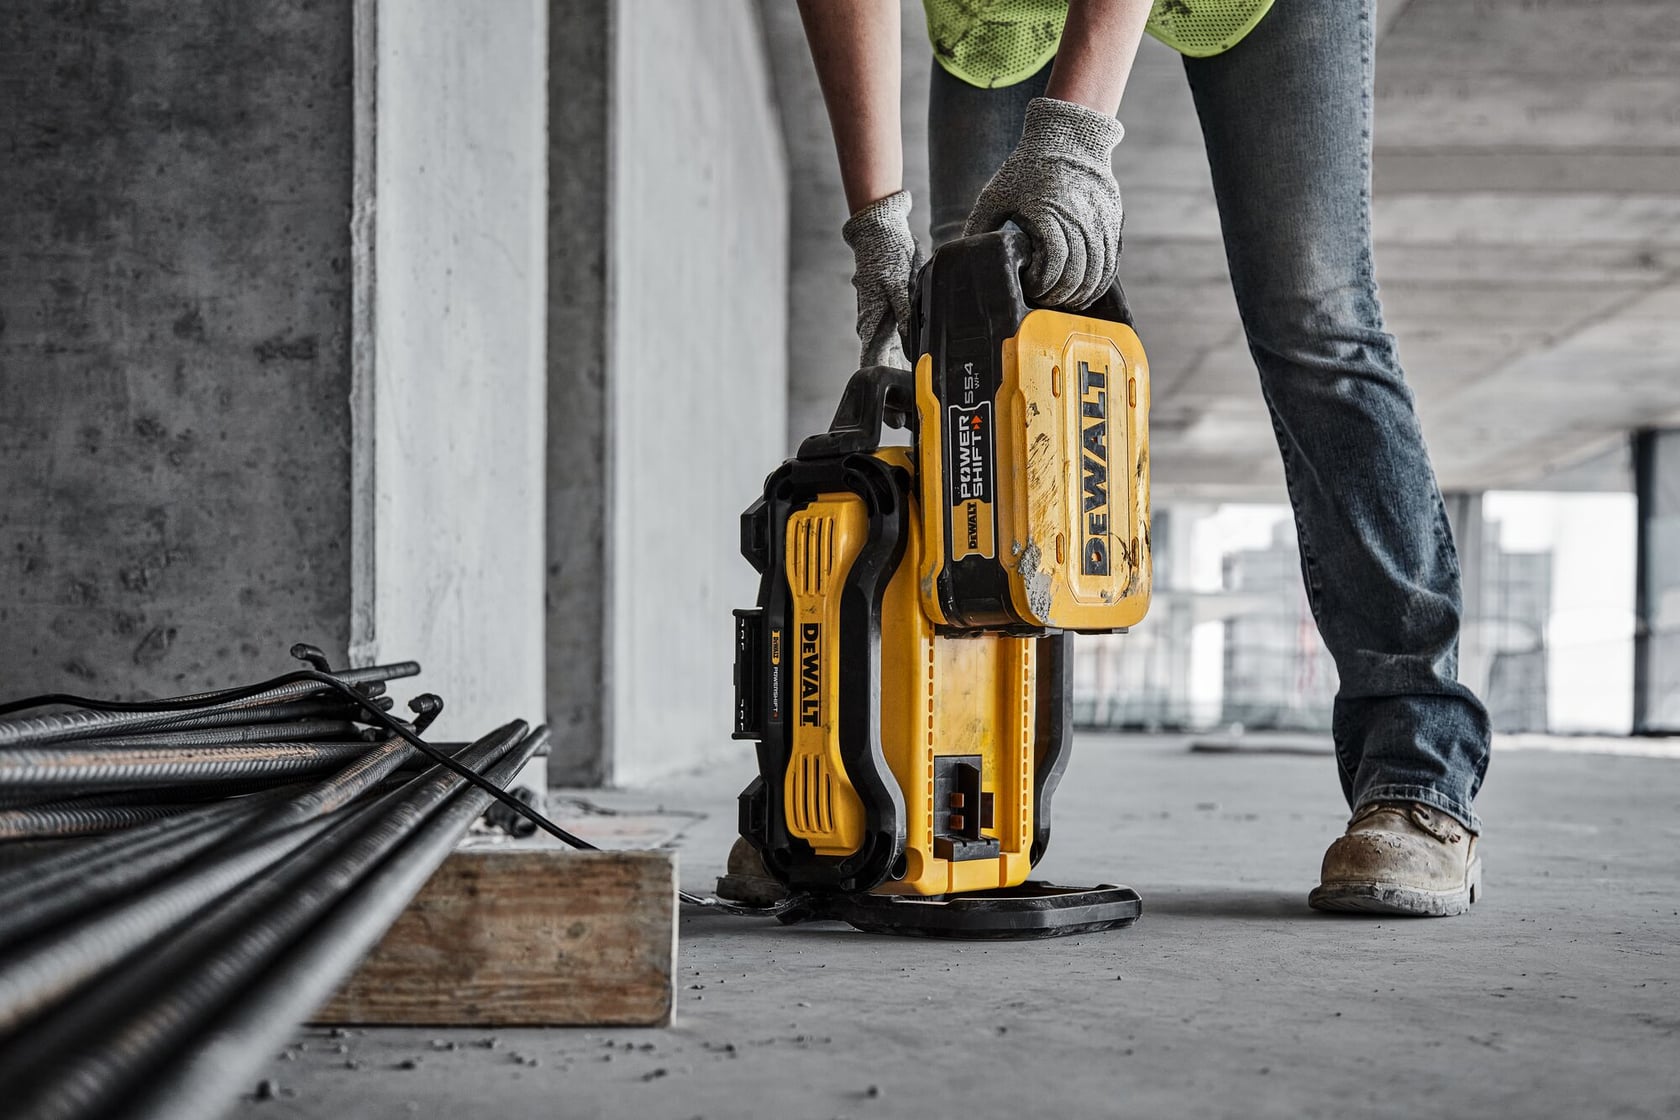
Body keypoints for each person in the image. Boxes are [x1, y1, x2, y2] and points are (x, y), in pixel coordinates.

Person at [795, 0, 1492, 918]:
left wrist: (1072, 141)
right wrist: (873, 218)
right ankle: (886, 799)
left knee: (1314, 323)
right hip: (1003, 18)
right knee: (963, 352)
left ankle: (1418, 779)